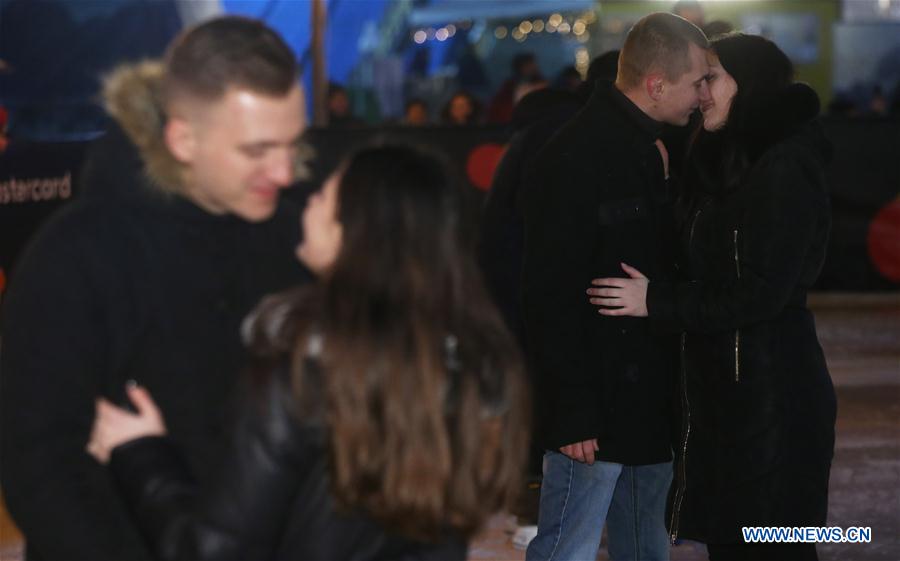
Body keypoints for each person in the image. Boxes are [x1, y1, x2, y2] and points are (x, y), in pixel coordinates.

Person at [85, 144, 531, 560]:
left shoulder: (308, 371)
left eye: (324, 197)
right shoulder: (466, 364)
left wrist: (140, 454)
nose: (308, 203)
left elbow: (214, 550)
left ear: (354, 231)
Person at [0, 16, 311, 560]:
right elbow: (39, 461)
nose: (284, 172)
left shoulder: (296, 240)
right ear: (182, 138)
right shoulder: (76, 255)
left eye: (292, 145)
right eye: (257, 150)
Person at [587, 33, 836, 561]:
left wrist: (656, 302)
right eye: (699, 79)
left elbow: (761, 293)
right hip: (730, 396)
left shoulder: (784, 164)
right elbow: (701, 259)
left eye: (712, 78)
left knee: (772, 544)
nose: (700, 92)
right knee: (735, 543)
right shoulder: (725, 157)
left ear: (751, 83)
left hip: (772, 398)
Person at [522, 12, 710, 561]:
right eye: (696, 81)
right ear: (657, 85)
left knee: (646, 546)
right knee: (567, 549)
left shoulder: (649, 148)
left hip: (647, 405)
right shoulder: (574, 155)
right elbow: (547, 294)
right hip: (595, 414)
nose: (703, 95)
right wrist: (571, 411)